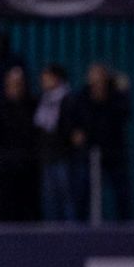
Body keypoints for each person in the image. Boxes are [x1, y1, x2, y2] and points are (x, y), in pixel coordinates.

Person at [68, 63, 133, 222]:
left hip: (113, 151)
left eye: (100, 76)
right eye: (93, 76)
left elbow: (124, 114)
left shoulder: (116, 97)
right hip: (88, 151)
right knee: (83, 191)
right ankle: (79, 227)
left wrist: (124, 91)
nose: (96, 81)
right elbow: (73, 120)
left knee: (121, 191)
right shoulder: (81, 97)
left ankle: (126, 227)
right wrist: (75, 133)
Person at [0, 66, 39, 222]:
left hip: (28, 166)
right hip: (6, 167)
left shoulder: (33, 106)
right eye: (12, 84)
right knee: (6, 206)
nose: (15, 88)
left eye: (18, 84)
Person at [33, 64, 77, 222]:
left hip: (63, 155)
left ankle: (71, 232)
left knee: (66, 196)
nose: (43, 80)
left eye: (47, 76)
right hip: (47, 155)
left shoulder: (68, 99)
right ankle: (50, 233)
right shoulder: (42, 99)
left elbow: (70, 127)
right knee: (49, 198)